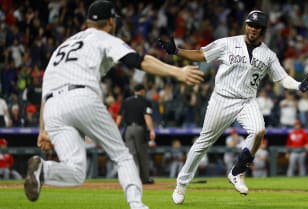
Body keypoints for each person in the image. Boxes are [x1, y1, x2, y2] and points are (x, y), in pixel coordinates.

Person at [23, 1, 204, 209]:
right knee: (122, 156)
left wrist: (42, 130)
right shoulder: (103, 37)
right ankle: (136, 204)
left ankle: (43, 170)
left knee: (76, 172)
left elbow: (46, 90)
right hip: (81, 96)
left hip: (53, 107)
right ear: (110, 21)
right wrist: (178, 71)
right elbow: (139, 60)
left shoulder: (62, 46)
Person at [158, 10, 308, 204]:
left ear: (263, 30)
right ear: (245, 25)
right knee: (203, 144)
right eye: (250, 24)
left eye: (257, 26)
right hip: (221, 99)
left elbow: (282, 77)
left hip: (246, 101)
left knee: (259, 130)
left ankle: (237, 171)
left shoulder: (268, 54)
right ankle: (181, 184)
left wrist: (298, 85)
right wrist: (177, 52)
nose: (253, 29)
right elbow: (202, 54)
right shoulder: (228, 43)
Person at [117, 83, 156, 184]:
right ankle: (145, 178)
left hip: (128, 130)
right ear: (142, 91)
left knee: (131, 154)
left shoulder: (126, 101)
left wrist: (116, 129)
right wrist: (151, 130)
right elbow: (147, 116)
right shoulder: (145, 101)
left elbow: (119, 116)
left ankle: (132, 178)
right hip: (139, 129)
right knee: (142, 154)